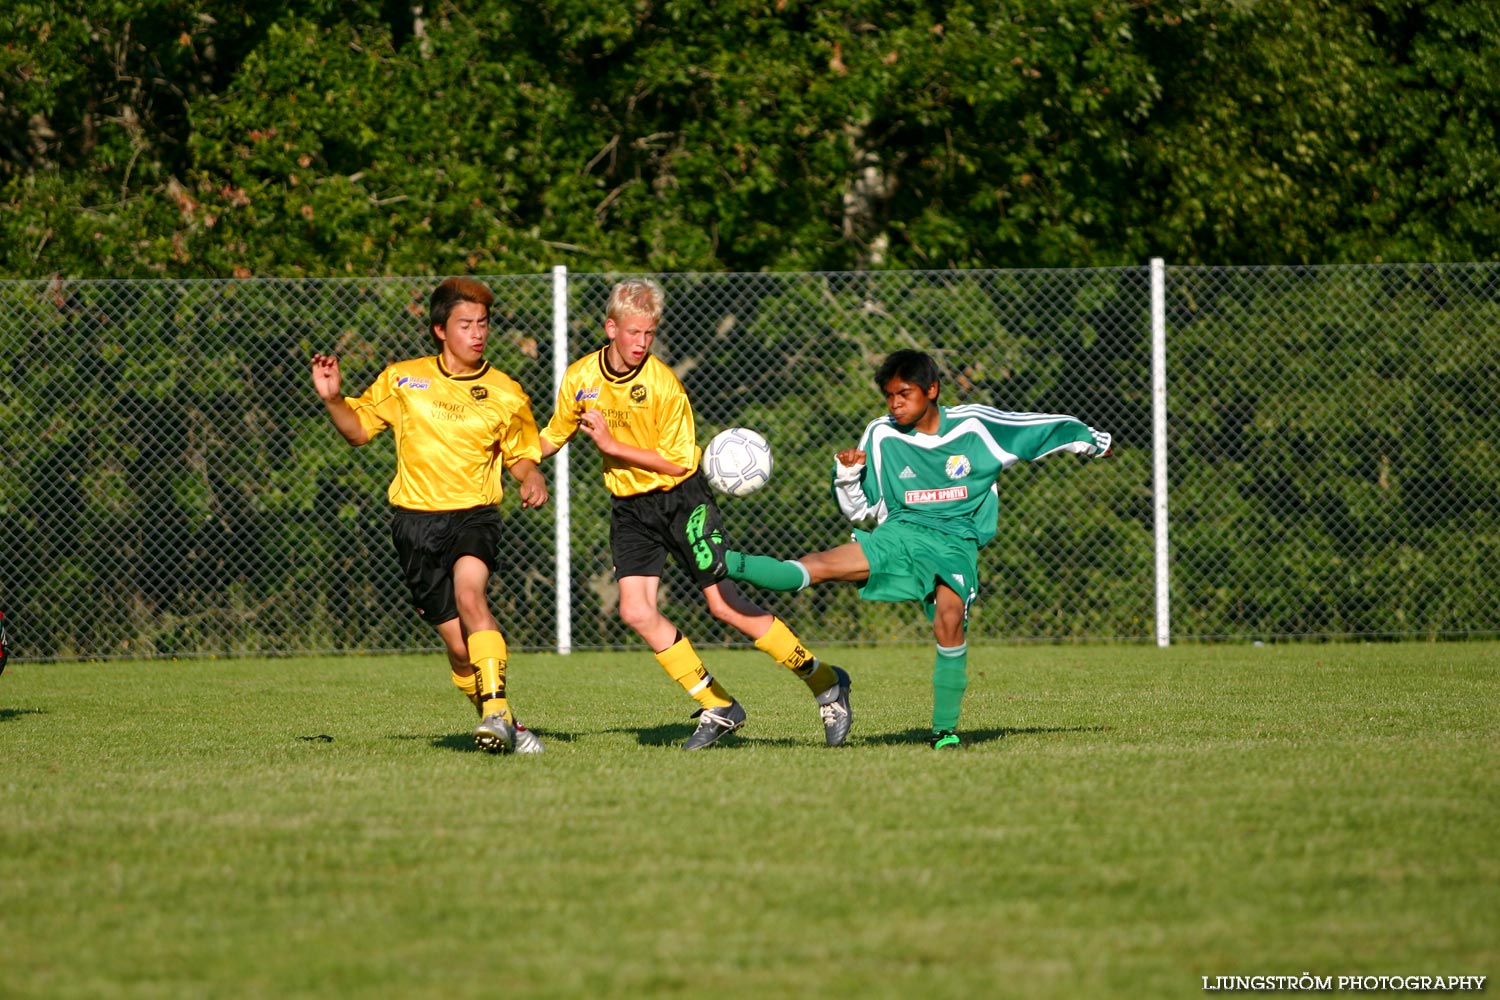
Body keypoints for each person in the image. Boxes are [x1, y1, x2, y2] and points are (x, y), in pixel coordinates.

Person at [725, 349, 1113, 750]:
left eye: (904, 394)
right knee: (815, 566)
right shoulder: (881, 433)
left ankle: (944, 731)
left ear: (932, 390)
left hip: (955, 542)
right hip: (901, 534)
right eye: (889, 395)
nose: (895, 404)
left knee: (949, 620)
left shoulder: (976, 426)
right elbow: (862, 511)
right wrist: (846, 475)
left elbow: (1042, 428)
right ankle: (721, 561)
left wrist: (1094, 442)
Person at [537, 278, 851, 750]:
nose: (643, 343)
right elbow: (552, 436)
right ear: (611, 328)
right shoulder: (581, 378)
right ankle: (718, 704)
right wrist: (510, 455)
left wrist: (610, 444)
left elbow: (680, 461)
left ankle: (825, 681)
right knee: (636, 610)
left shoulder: (663, 385)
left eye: (650, 333)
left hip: (682, 501)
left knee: (723, 605)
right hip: (630, 507)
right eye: (634, 333)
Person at [310, 277, 550, 755]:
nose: (477, 334)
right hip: (414, 524)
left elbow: (519, 452)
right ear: (441, 330)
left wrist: (529, 477)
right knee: (460, 651)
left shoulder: (506, 391)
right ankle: (505, 723)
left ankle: (497, 714)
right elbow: (358, 432)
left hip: (474, 516)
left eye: (483, 324)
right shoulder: (404, 379)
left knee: (471, 595)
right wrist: (334, 399)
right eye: (466, 324)